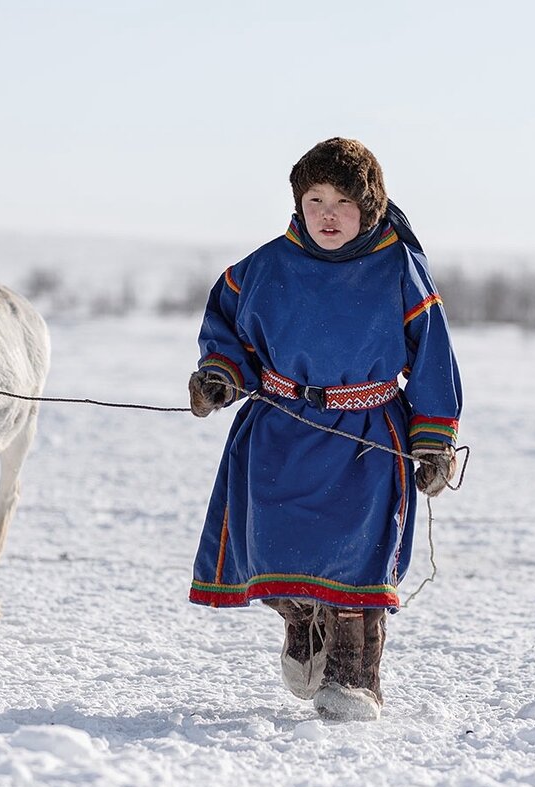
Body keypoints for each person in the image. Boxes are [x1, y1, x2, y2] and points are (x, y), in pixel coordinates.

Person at [186, 137, 463, 721]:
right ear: (298, 202)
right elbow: (226, 330)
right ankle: (299, 622)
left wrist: (433, 439)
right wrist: (219, 375)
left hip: (364, 438)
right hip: (279, 429)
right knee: (278, 553)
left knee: (355, 564)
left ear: (369, 205)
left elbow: (433, 354)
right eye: (315, 199)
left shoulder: (398, 269)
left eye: (343, 200)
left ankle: (354, 682)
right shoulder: (263, 266)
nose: (328, 214)